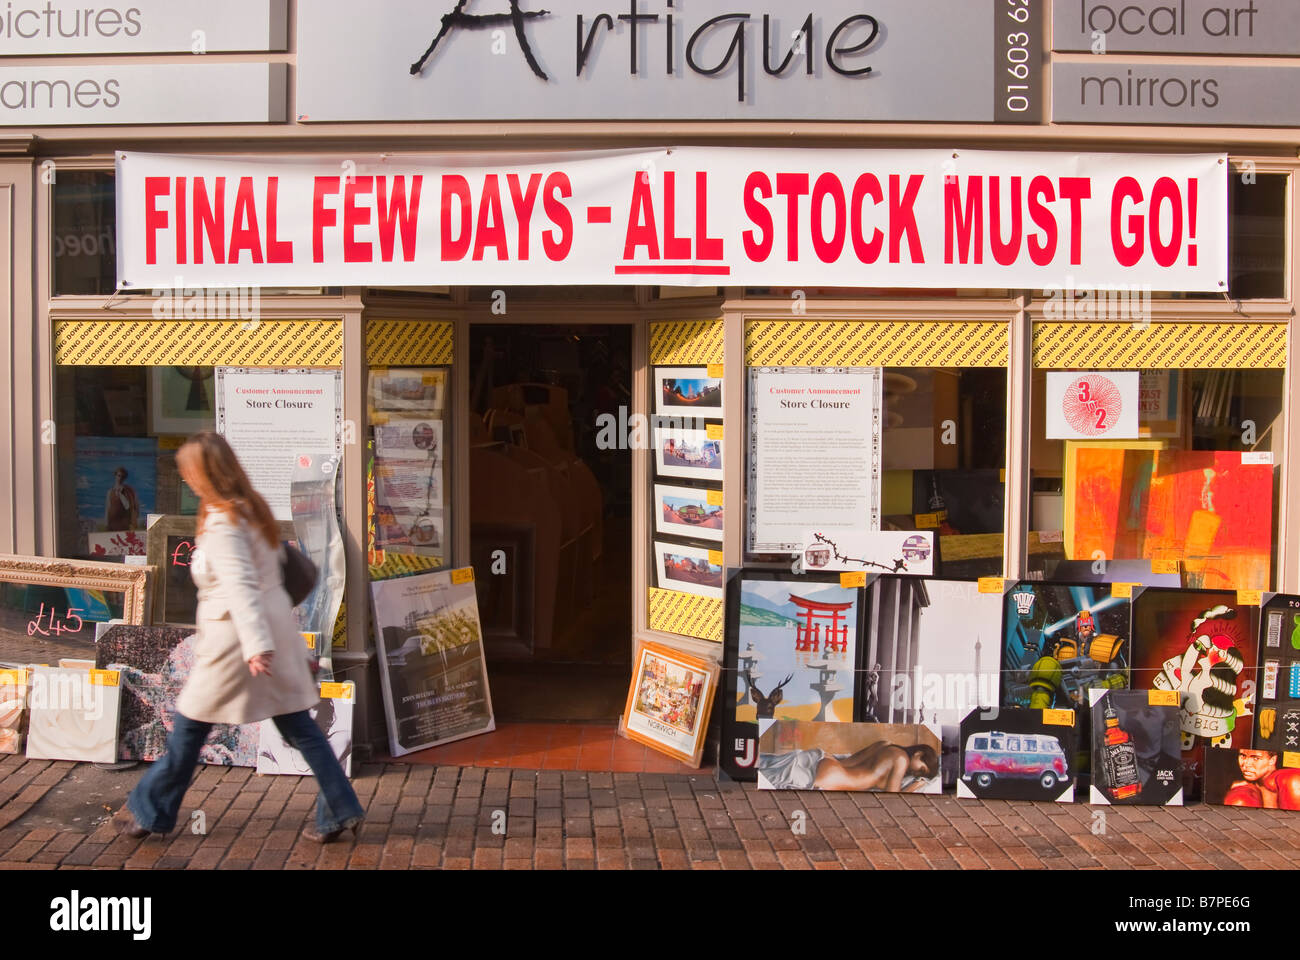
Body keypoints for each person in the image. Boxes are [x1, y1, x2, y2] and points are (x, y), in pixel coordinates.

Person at [114, 432, 363, 843]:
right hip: (271, 634)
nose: (187, 481)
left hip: (235, 646)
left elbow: (241, 586)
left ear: (204, 474)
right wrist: (275, 645)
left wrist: (255, 647)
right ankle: (341, 808)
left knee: (189, 729)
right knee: (300, 727)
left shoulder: (223, 522)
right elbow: (271, 581)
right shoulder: (251, 510)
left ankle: (149, 810)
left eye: (190, 473)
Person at [758, 739, 939, 793]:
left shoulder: (884, 744)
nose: (916, 773)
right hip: (830, 777)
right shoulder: (901, 760)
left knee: (760, 768)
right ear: (919, 753)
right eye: (922, 769)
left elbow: (848, 761)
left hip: (824, 761)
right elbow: (893, 796)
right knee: (765, 777)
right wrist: (917, 784)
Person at [1222, 749, 1300, 810]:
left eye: (1256, 758)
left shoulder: (1291, 780)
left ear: (1272, 760)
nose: (1246, 764)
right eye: (1243, 756)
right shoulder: (1246, 787)